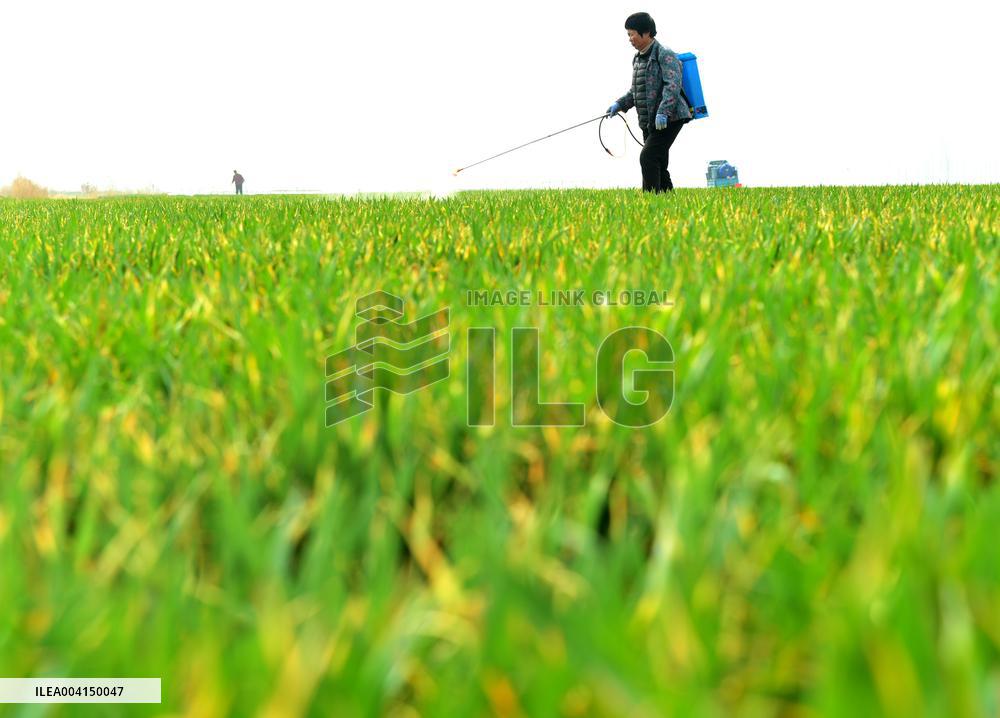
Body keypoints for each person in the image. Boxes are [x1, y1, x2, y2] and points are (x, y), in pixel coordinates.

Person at [606, 13, 691, 193]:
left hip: (670, 118)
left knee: (648, 157)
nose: (630, 39)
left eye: (632, 34)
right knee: (658, 161)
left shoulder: (665, 54)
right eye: (628, 35)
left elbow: (673, 85)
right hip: (649, 121)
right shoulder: (637, 59)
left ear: (646, 33)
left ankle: (650, 204)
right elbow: (636, 91)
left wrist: (663, 112)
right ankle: (669, 204)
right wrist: (619, 104)